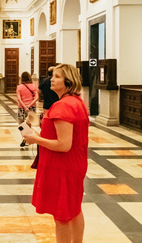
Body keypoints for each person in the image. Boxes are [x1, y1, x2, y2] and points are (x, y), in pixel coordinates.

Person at [23, 64, 89, 243]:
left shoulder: (63, 107)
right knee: (74, 209)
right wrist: (40, 125)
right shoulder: (76, 102)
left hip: (63, 167)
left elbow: (63, 145)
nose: (51, 79)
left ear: (68, 81)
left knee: (62, 216)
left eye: (57, 77)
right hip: (75, 164)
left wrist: (35, 138)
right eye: (53, 76)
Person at [16, 71, 39, 147]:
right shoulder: (34, 86)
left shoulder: (19, 87)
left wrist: (25, 106)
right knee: (29, 124)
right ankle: (26, 139)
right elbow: (36, 98)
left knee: (21, 123)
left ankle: (25, 137)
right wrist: (29, 105)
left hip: (22, 107)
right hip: (31, 107)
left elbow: (19, 99)